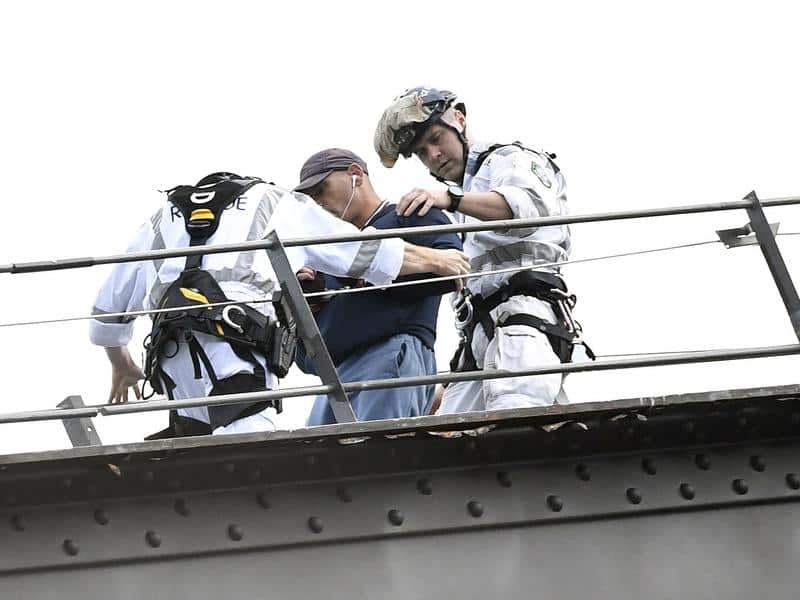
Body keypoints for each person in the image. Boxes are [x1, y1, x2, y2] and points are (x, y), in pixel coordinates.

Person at [89, 172, 470, 437]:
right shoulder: (272, 202)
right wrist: (437, 260)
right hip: (234, 349)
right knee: (249, 455)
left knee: (199, 457)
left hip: (172, 361)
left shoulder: (163, 218)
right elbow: (358, 251)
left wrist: (121, 364)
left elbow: (107, 309)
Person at [375, 87, 590, 414]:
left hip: (522, 320)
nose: (433, 154)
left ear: (459, 120)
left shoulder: (508, 159)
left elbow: (523, 209)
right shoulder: (463, 193)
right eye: (421, 151)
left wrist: (450, 200)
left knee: (515, 425)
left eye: (436, 139)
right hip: (480, 336)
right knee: (447, 433)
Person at [292, 148, 462, 425]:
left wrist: (377, 274)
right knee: (317, 461)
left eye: (322, 189)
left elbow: (454, 270)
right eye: (311, 198)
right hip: (336, 370)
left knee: (375, 455)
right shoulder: (332, 250)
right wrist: (316, 298)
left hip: (388, 352)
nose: (319, 202)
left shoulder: (409, 214)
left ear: (355, 174)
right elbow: (306, 353)